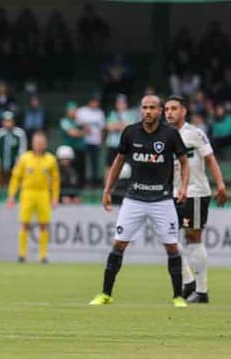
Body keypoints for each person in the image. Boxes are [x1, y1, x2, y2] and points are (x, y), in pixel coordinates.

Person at [89, 95, 190, 308]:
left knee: (172, 247)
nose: (147, 111)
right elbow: (118, 162)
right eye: (144, 107)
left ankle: (178, 296)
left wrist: (183, 187)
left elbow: (184, 160)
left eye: (152, 107)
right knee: (118, 243)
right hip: (134, 199)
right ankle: (105, 293)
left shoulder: (170, 134)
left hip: (162, 200)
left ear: (160, 111)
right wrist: (108, 189)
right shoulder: (130, 132)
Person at [165, 95, 227, 303]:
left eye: (174, 108)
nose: (169, 113)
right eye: (166, 109)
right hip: (172, 193)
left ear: (183, 111)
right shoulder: (163, 135)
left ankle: (201, 291)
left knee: (193, 238)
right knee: (169, 239)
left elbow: (210, 159)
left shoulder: (194, 133)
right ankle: (189, 281)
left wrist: (220, 184)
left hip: (195, 192)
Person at [7, 132, 60, 264]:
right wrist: (12, 195)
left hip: (43, 193)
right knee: (24, 224)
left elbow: (55, 180)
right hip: (27, 193)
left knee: (44, 225)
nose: (39, 145)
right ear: (32, 144)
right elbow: (15, 177)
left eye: (41, 143)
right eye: (37, 142)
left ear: (45, 144)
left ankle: (43, 256)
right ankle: (22, 255)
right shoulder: (25, 158)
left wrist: (55, 197)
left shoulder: (50, 160)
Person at [0, 111, 28, 186]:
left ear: (14, 122)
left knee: (17, 178)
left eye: (10, 121)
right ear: (2, 122)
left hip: (16, 164)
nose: (8, 123)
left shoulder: (20, 134)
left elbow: (22, 150)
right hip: (2, 163)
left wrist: (19, 164)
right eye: (6, 121)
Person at [76, 95, 105, 185]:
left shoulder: (100, 113)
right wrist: (85, 126)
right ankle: (82, 181)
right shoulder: (82, 111)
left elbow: (102, 128)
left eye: (96, 102)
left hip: (95, 141)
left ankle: (94, 181)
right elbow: (77, 123)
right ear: (90, 102)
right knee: (83, 162)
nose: (95, 104)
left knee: (95, 162)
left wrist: (100, 140)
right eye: (93, 102)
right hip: (83, 141)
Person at [105, 94, 137, 175]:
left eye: (122, 103)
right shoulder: (112, 114)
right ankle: (107, 186)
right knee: (109, 165)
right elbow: (109, 127)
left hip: (126, 145)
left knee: (128, 165)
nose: (120, 105)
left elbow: (130, 128)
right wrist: (121, 126)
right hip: (113, 144)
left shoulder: (131, 114)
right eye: (119, 103)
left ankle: (127, 185)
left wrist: (117, 125)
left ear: (126, 104)